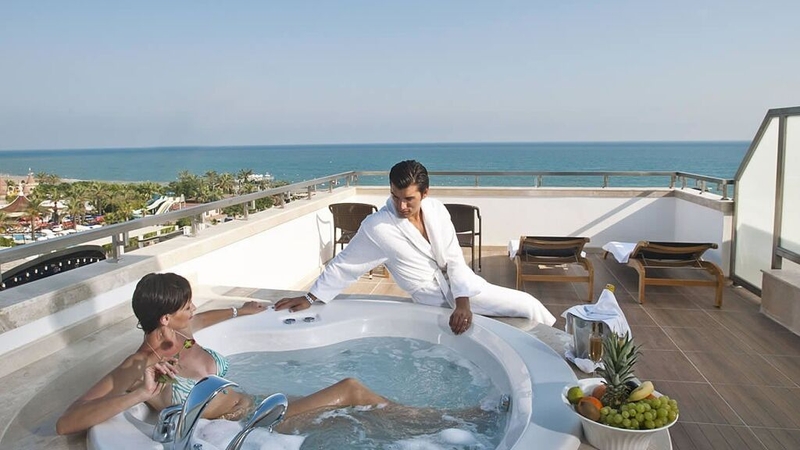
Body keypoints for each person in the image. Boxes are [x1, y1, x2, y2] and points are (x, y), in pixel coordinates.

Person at [56, 272, 390, 435]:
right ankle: (421, 424)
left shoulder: (183, 334)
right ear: (165, 318)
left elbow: (204, 319)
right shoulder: (140, 363)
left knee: (360, 416)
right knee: (351, 390)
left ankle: (413, 426)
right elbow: (67, 422)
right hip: (247, 427)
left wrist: (239, 311)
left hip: (257, 404)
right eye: (187, 306)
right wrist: (140, 394)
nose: (194, 309)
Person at [275, 160, 556, 334]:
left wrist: (463, 303)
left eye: (409, 198)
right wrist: (311, 297)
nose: (401, 205)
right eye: (395, 196)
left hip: (465, 289)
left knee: (528, 305)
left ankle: (564, 351)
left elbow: (455, 259)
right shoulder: (378, 227)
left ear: (425, 193)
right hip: (431, 298)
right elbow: (345, 265)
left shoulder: (437, 211)